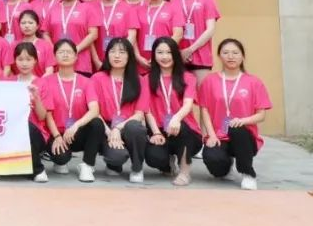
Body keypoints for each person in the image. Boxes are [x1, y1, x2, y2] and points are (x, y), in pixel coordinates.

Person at [199, 38, 272, 190]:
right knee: (214, 163)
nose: (230, 56)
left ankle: (248, 174)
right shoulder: (210, 81)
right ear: (219, 56)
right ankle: (226, 167)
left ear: (242, 56)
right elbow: (204, 109)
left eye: (235, 53)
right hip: (219, 136)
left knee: (237, 129)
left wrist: (243, 121)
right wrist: (211, 135)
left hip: (245, 137)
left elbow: (261, 114)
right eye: (226, 53)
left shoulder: (254, 82)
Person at [40, 39, 105, 182]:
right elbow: (47, 114)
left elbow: (95, 110)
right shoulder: (46, 81)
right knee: (61, 157)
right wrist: (57, 136)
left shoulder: (86, 81)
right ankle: (59, 161)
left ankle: (87, 165)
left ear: (76, 57)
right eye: (61, 52)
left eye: (69, 52)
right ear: (54, 57)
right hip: (56, 132)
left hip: (76, 132)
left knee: (97, 123)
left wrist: (76, 125)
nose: (65, 55)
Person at [142, 37, 202, 186]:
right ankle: (167, 164)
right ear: (154, 55)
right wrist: (156, 132)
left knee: (182, 128)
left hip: (186, 131)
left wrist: (176, 118)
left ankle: (185, 172)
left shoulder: (188, 77)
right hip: (160, 129)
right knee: (153, 157)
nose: (164, 57)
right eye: (160, 52)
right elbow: (147, 110)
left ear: (175, 54)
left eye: (169, 52)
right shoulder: (146, 79)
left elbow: (188, 104)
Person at [90, 37, 149, 183]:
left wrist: (117, 128)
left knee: (135, 128)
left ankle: (137, 168)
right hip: (106, 127)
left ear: (129, 56)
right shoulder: (97, 78)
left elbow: (139, 114)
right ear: (107, 55)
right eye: (113, 51)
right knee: (116, 157)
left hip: (128, 125)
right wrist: (110, 132)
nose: (117, 56)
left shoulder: (139, 80)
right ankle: (113, 164)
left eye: (122, 52)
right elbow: (95, 112)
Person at [7, 42, 51, 182]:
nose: (24, 63)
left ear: (35, 61)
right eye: (20, 59)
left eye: (28, 59)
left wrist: (36, 98)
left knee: (25, 126)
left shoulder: (42, 83)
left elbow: (42, 116)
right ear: (15, 61)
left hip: (36, 133)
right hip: (12, 131)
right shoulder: (8, 82)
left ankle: (38, 169)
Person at [44, 0, 100, 76]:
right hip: (58, 62)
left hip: (81, 61)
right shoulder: (52, 10)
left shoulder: (87, 8)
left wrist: (75, 49)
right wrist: (56, 50)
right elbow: (45, 33)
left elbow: (93, 34)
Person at [175, 0, 220, 83]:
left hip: (201, 56)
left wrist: (190, 50)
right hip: (178, 56)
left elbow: (210, 30)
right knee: (179, 93)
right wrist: (178, 52)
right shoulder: (174, 0)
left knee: (202, 92)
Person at [134, 0, 182, 70]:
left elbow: (178, 34)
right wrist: (138, 57)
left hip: (165, 60)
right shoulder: (137, 10)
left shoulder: (174, 8)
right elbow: (132, 36)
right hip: (141, 62)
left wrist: (162, 54)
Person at [91, 0, 139, 71]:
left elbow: (132, 36)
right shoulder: (90, 8)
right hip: (97, 59)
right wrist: (96, 60)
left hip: (120, 59)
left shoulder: (127, 8)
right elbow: (89, 37)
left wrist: (121, 55)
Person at [17, 10, 55, 77]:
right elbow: (10, 70)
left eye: (30, 23)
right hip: (20, 82)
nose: (27, 26)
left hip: (41, 82)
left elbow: (49, 71)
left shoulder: (46, 45)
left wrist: (38, 82)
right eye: (23, 23)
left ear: (37, 26)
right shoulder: (14, 45)